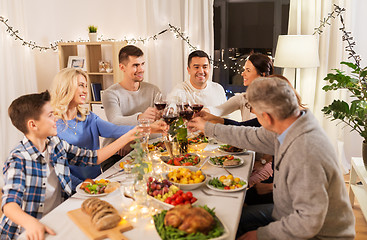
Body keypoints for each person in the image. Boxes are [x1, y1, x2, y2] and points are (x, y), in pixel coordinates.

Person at [188, 76, 355, 239]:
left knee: (231, 226)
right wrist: (208, 128)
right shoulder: (292, 123)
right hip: (289, 213)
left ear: (266, 117)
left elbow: (308, 222)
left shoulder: (305, 151)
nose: (255, 117)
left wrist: (261, 235)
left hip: (320, 234)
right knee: (233, 219)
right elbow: (249, 136)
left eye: (255, 113)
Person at [1, 91, 145, 239]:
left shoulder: (56, 144)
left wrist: (130, 135)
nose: (56, 118)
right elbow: (10, 205)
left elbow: (93, 158)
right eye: (50, 115)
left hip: (56, 218)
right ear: (33, 124)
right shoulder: (18, 160)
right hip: (25, 231)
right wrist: (31, 223)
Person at [50, 68, 132, 190]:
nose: (85, 91)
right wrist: (83, 186)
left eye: (86, 86)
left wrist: (147, 127)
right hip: (73, 190)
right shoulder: (52, 126)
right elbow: (58, 170)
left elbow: (116, 130)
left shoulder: (88, 117)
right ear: (66, 87)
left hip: (97, 183)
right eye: (81, 85)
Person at [102, 45, 161, 126]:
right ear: (122, 67)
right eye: (136, 65)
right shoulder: (110, 94)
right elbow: (115, 121)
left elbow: (160, 123)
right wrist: (140, 118)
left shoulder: (153, 90)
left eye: (142, 64)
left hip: (148, 138)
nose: (141, 70)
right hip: (121, 138)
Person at [204, 53, 274, 121]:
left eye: (248, 70)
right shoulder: (243, 98)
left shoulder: (275, 101)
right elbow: (220, 109)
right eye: (244, 69)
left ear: (262, 75)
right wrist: (204, 111)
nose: (243, 73)